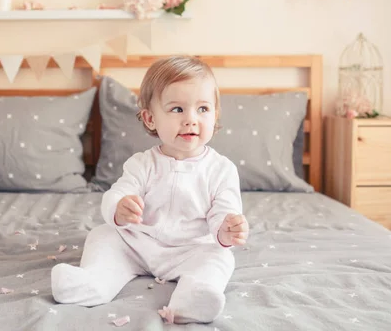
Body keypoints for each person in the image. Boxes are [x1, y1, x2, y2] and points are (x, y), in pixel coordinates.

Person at [51, 55, 249, 324]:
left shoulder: (221, 169)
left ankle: (194, 298)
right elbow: (118, 193)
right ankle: (93, 283)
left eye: (203, 109)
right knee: (104, 235)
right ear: (150, 118)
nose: (191, 119)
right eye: (177, 109)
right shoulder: (142, 164)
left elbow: (223, 212)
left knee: (220, 257)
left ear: (215, 115)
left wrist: (226, 229)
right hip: (138, 245)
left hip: (190, 250)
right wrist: (119, 209)